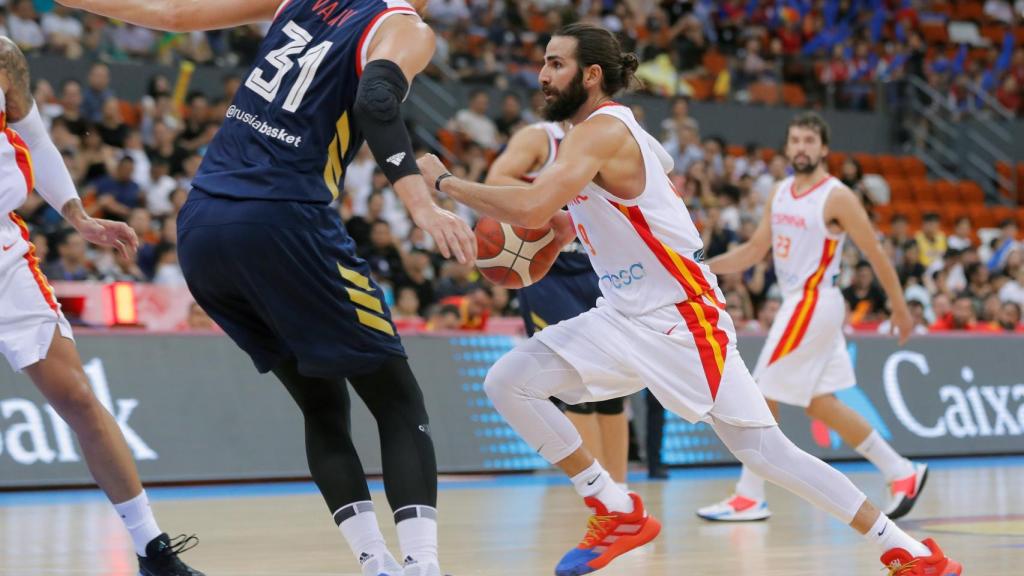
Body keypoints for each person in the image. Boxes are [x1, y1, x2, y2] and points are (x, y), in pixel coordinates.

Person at [417, 23, 961, 576]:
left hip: (681, 318)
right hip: (622, 313)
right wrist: (569, 226)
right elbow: (630, 184)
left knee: (765, 453)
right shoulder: (605, 133)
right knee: (507, 382)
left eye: (555, 64)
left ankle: (909, 549)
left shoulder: (601, 131)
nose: (542, 74)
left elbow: (533, 206)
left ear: (591, 74)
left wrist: (446, 185)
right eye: (544, 62)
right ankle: (614, 505)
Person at [59, 1, 476, 576]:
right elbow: (377, 101)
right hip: (284, 222)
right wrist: (422, 205)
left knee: (321, 403)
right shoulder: (404, 25)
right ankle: (421, 566)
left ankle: (373, 561)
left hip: (203, 227)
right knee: (398, 401)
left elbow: (175, 13)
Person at [0, 36, 203, 575]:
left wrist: (78, 217)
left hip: (3, 255)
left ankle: (150, 549)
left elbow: (34, 140)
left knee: (78, 399)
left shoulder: (4, 57)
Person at [696, 112, 928, 524]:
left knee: (760, 390)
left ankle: (749, 496)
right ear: (787, 147)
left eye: (809, 141)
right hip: (800, 302)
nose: (801, 147)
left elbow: (876, 253)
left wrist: (899, 308)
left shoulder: (836, 196)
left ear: (823, 149)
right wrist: (703, 266)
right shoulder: (781, 190)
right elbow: (753, 251)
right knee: (821, 405)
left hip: (813, 299)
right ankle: (901, 471)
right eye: (795, 140)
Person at [485, 119, 630, 490]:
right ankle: (603, 494)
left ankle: (624, 492)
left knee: (614, 395)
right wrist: (557, 192)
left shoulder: (612, 136)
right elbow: (497, 177)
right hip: (550, 272)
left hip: (598, 267)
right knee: (577, 387)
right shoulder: (540, 137)